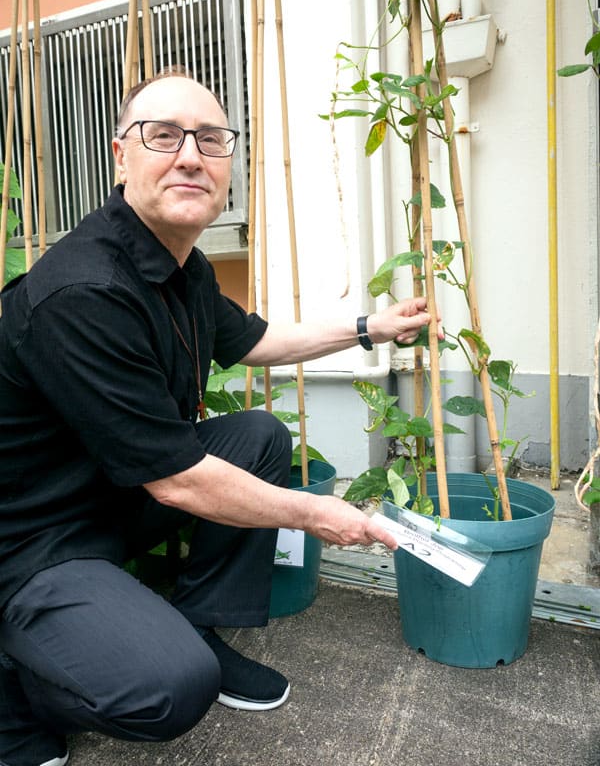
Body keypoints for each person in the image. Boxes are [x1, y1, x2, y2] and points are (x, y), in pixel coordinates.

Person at [0, 68, 442, 766]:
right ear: (122, 156)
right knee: (168, 688)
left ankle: (197, 623)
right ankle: (16, 691)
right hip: (31, 538)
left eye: (210, 139)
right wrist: (316, 513)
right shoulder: (83, 291)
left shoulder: (183, 268)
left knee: (256, 436)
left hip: (108, 492)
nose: (189, 155)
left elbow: (258, 342)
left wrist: (370, 327)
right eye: (163, 135)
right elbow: (179, 482)